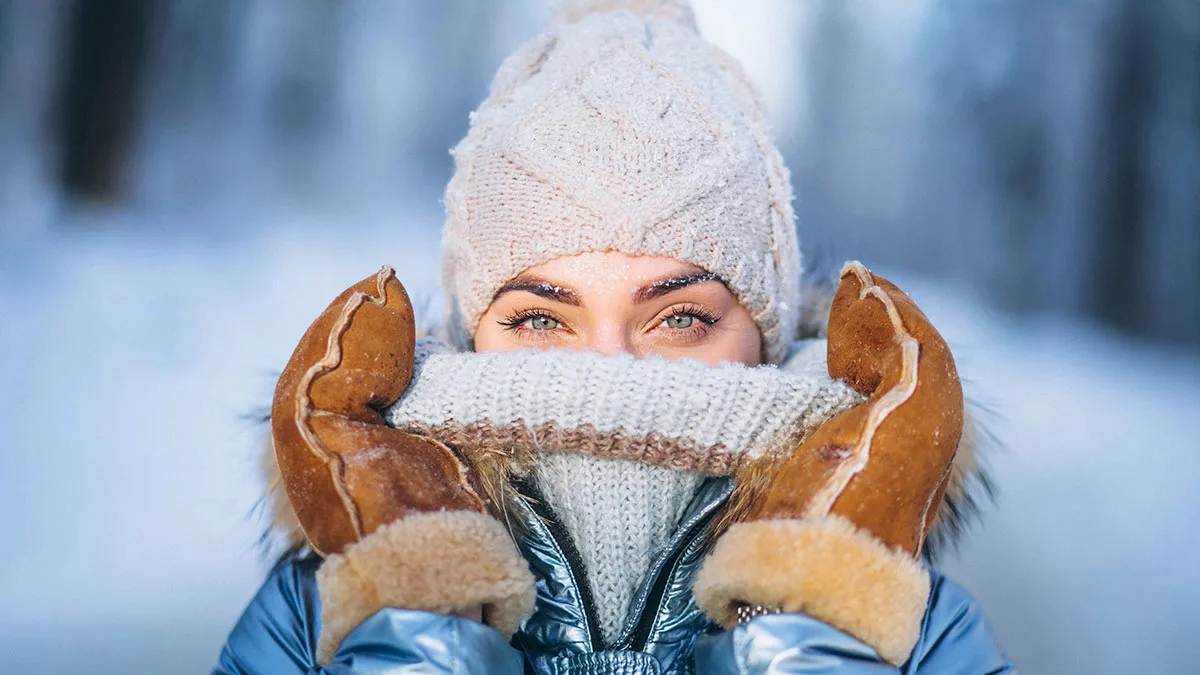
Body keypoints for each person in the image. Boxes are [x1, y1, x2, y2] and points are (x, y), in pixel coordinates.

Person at [214, 1, 1013, 672]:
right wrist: (411, 630)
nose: (608, 372)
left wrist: (820, 627)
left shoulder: (906, 626)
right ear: (470, 330)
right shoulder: (322, 609)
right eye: (540, 318)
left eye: (680, 318)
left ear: (764, 338)